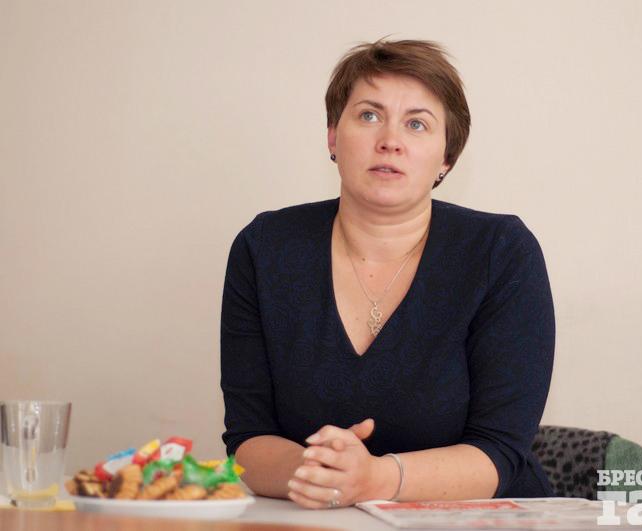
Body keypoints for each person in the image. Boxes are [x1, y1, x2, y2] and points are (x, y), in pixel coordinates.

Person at [220, 38, 555, 510]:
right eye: (369, 115)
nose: (390, 140)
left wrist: (375, 478)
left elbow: (500, 450)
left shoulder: (501, 252)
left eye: (417, 124)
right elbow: (248, 439)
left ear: (446, 157)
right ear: (333, 137)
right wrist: (324, 473)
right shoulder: (265, 248)